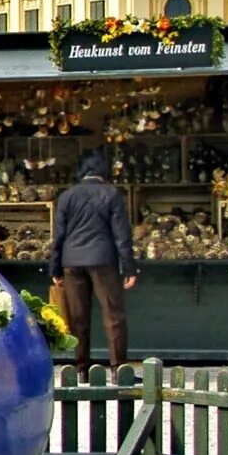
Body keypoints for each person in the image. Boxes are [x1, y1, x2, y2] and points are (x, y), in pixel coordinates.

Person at [49, 152, 138, 369]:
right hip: (103, 260)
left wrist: (55, 268)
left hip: (72, 261)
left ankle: (81, 368)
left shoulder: (67, 196)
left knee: (78, 318)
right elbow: (122, 235)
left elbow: (58, 235)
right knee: (113, 315)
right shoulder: (112, 194)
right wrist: (129, 268)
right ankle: (118, 367)